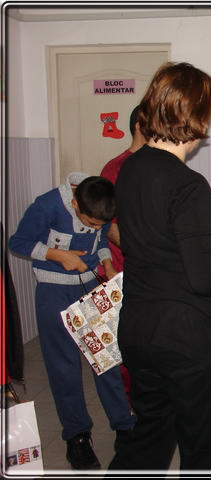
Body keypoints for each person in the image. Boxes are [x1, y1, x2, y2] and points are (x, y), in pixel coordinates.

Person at [108, 62, 211, 472]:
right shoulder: (188, 186)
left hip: (140, 327)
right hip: (188, 337)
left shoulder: (131, 170)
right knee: (205, 447)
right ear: (196, 118)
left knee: (149, 438)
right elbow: (207, 277)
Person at [8, 174, 135, 470]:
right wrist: (57, 256)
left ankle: (123, 424)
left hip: (89, 287)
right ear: (75, 203)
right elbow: (19, 242)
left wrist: (105, 261)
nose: (97, 228)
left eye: (101, 223)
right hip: (53, 290)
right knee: (63, 367)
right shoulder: (47, 206)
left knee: (105, 359)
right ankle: (77, 436)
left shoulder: (98, 198)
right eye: (91, 223)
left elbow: (102, 238)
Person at [99, 104, 146, 404]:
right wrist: (140, 253)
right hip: (124, 268)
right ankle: (128, 408)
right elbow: (107, 221)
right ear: (142, 125)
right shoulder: (115, 169)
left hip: (153, 270)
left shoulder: (161, 165)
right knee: (125, 342)